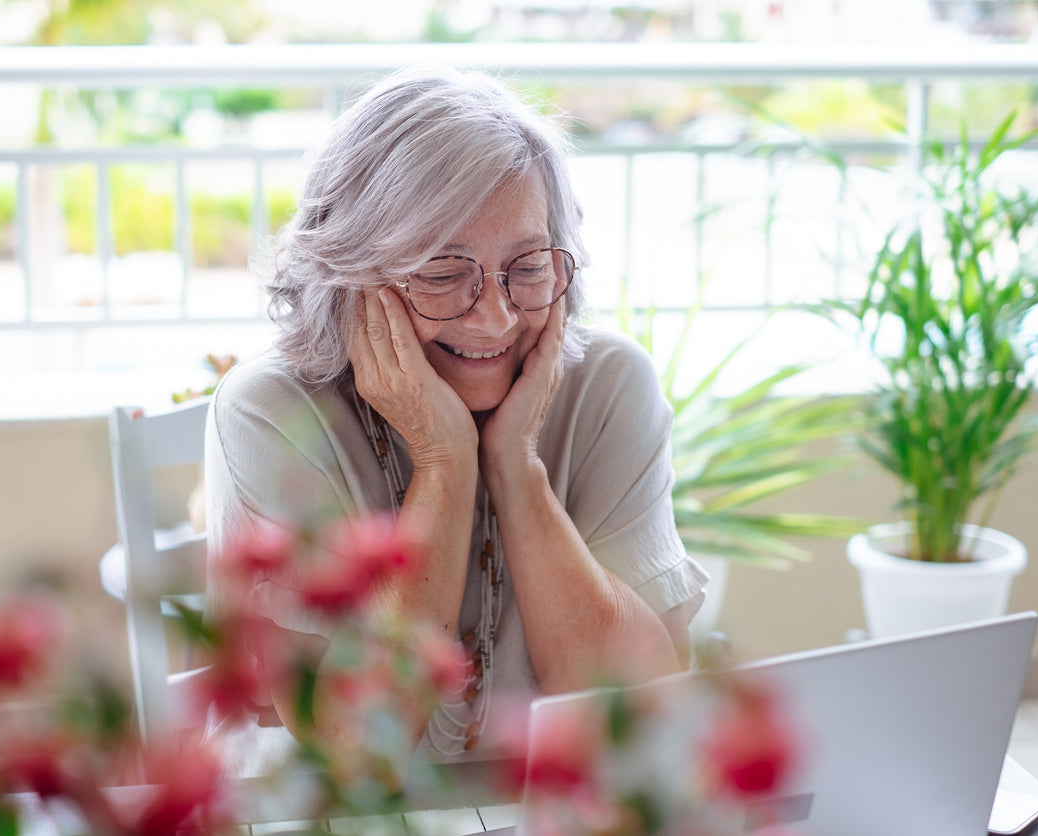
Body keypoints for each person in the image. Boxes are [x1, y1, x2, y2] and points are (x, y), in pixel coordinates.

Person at [204, 66, 708, 768]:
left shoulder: (609, 385)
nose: (496, 315)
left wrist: (516, 467)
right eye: (444, 273)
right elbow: (352, 742)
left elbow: (643, 706)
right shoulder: (270, 412)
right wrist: (443, 464)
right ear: (352, 273)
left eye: (528, 265)